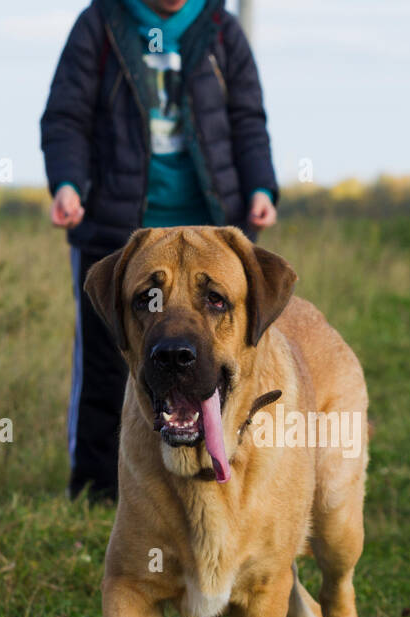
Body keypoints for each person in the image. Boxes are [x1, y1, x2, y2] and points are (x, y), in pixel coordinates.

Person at [40, 0, 278, 502]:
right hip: (117, 231)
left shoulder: (218, 27)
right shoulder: (101, 22)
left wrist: (261, 187)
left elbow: (248, 118)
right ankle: (98, 490)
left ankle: (222, 480)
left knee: (217, 364)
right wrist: (66, 183)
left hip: (212, 229)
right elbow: (66, 115)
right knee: (107, 366)